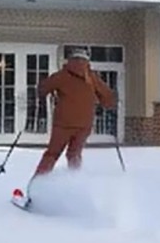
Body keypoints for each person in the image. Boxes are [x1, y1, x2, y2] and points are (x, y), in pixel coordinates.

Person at [32, 48, 117, 177]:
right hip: (84, 124)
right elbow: (108, 97)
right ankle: (75, 182)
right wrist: (109, 106)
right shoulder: (92, 77)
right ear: (87, 61)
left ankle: (38, 182)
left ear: (70, 60)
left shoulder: (62, 75)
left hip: (63, 123)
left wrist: (44, 94)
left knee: (52, 154)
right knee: (74, 154)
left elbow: (42, 89)